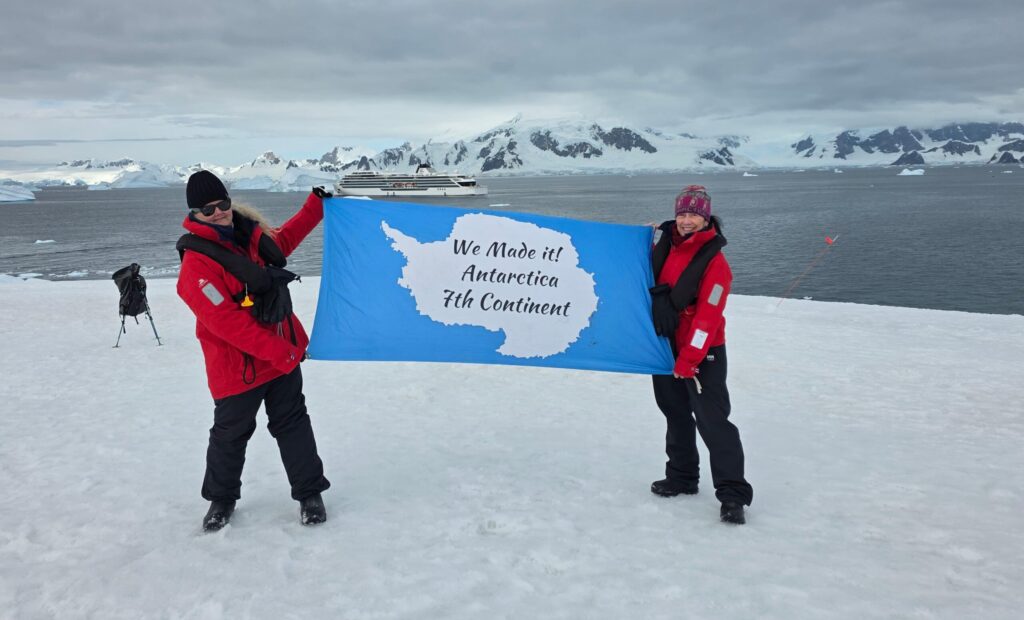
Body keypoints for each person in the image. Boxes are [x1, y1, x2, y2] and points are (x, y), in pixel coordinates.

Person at [176, 170, 331, 532]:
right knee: (230, 435)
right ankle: (221, 499)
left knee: (293, 424)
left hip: (280, 358)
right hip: (237, 367)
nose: (218, 212)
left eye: (223, 204)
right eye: (207, 209)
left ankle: (309, 493)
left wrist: (317, 204)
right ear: (194, 214)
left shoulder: (250, 235)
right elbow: (228, 324)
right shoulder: (196, 265)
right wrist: (282, 353)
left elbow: (285, 239)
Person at [647, 185, 753, 524]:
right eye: (682, 213)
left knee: (713, 421)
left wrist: (690, 358)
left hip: (703, 353)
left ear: (706, 219)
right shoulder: (665, 246)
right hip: (666, 346)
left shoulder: (716, 264)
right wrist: (641, 238)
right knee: (675, 413)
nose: (686, 220)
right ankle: (682, 477)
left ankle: (733, 495)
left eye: (694, 214)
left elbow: (708, 316)